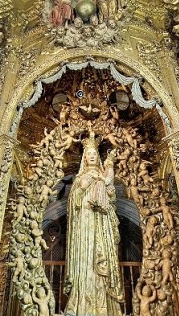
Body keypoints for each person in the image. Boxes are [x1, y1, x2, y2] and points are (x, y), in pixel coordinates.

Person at [64, 132, 123, 315]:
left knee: (102, 255)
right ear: (84, 157)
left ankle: (106, 307)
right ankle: (83, 305)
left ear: (98, 157)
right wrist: (81, 188)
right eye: (88, 153)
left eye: (94, 154)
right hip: (85, 223)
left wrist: (108, 194)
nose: (91, 156)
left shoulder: (103, 175)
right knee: (87, 259)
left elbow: (111, 200)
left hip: (101, 222)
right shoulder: (79, 178)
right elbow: (73, 203)